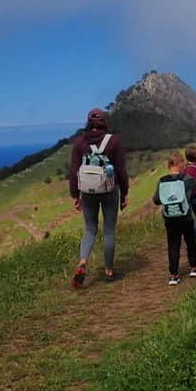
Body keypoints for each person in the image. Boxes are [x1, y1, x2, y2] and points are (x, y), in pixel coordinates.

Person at [68, 108, 129, 287]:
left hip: (87, 193)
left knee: (90, 229)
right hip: (109, 190)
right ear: (104, 122)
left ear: (88, 122)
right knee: (109, 230)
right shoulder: (114, 141)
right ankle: (109, 271)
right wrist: (124, 193)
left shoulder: (79, 143)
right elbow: (121, 171)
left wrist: (75, 195)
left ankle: (82, 262)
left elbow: (73, 172)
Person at [152, 151, 196, 285]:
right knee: (190, 242)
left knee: (173, 244)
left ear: (168, 165)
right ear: (180, 164)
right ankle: (194, 267)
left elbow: (156, 200)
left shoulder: (162, 181)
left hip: (169, 218)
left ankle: (173, 275)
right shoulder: (186, 179)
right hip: (185, 216)